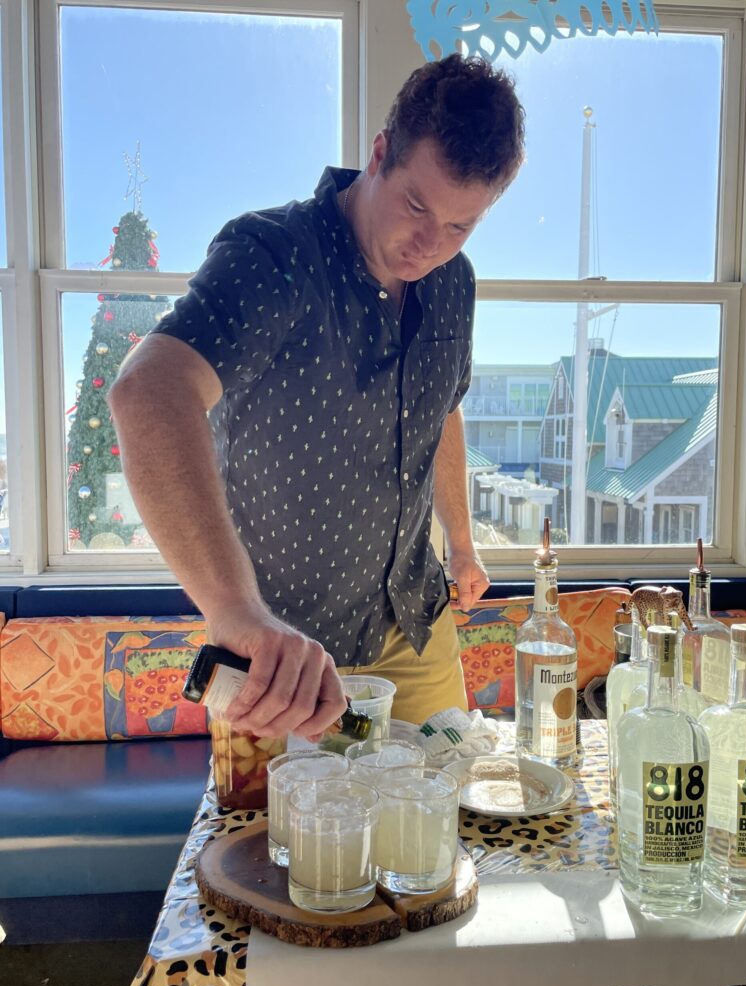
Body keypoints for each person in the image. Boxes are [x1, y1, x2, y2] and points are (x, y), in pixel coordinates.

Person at [109, 54, 525, 740]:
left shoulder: (456, 283)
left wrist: (461, 539)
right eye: (417, 206)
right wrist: (235, 612)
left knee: (443, 803)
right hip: (283, 657)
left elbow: (442, 406)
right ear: (380, 154)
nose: (430, 245)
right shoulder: (273, 256)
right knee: (278, 818)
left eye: (460, 227)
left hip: (416, 626)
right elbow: (147, 392)